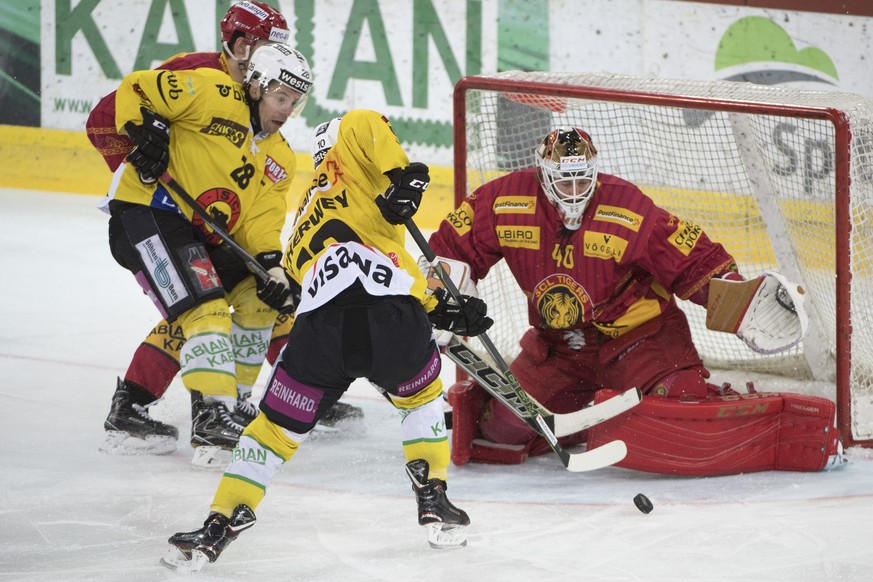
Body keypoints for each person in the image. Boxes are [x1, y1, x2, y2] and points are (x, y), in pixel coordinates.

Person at [160, 111, 493, 572]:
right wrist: (403, 179)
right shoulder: (353, 149)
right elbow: (366, 128)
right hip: (391, 325)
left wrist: (442, 308)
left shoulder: (300, 227)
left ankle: (219, 523)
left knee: (271, 433)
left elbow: (341, 278)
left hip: (321, 337)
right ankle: (432, 496)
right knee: (421, 402)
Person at [427, 126, 839, 475]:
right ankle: (579, 420)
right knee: (499, 433)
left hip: (640, 341)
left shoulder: (626, 208)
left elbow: (690, 262)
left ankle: (731, 405)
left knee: (679, 410)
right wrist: (449, 295)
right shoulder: (505, 202)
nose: (574, 190)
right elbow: (449, 250)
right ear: (543, 175)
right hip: (561, 348)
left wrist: (739, 298)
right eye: (564, 181)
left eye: (582, 179)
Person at [104, 41, 312, 465]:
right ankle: (211, 414)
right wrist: (144, 129)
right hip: (148, 214)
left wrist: (270, 266)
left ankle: (226, 403)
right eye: (280, 97)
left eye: (294, 101)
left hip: (202, 237)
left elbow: (262, 219)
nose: (286, 110)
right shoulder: (211, 91)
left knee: (258, 298)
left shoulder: (280, 156)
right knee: (206, 309)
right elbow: (138, 87)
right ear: (255, 86)